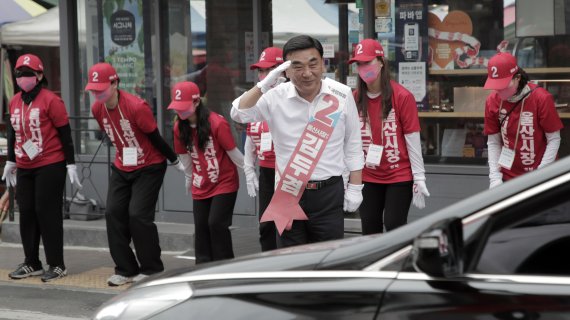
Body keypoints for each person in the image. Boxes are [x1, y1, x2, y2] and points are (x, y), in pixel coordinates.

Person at [231, 35, 364, 248]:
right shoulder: (275, 96)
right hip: (289, 193)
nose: (307, 73)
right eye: (297, 66)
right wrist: (264, 85)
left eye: (313, 64)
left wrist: (355, 187)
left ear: (323, 64)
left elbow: (354, 145)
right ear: (286, 70)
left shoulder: (342, 94)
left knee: (328, 262)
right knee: (292, 261)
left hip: (329, 194)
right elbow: (238, 113)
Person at [85, 62, 183, 286]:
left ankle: (152, 269)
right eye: (94, 90)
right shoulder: (97, 109)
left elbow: (155, 137)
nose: (97, 94)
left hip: (149, 165)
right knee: (113, 212)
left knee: (138, 215)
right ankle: (125, 268)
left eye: (101, 89)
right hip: (122, 165)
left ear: (115, 83)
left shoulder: (137, 107)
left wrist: (175, 160)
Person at [2, 53, 82, 282]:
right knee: (26, 212)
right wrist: (11, 161)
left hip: (50, 163)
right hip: (25, 164)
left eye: (28, 74)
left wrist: (71, 163)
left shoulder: (51, 100)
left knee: (47, 213)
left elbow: (65, 135)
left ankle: (57, 264)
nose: (23, 78)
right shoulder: (15, 100)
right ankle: (31, 262)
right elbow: (12, 132)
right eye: (19, 74)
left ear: (39, 75)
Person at [347, 39, 430, 235]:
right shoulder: (354, 98)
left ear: (381, 62)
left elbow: (412, 139)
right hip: (368, 175)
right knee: (369, 228)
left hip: (398, 175)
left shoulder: (402, 96)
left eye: (368, 62)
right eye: (359, 64)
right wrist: (348, 178)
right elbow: (349, 141)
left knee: (394, 225)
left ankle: (398, 263)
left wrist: (419, 177)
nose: (363, 68)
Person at [169, 81, 244, 264]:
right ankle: (202, 267)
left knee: (216, 224)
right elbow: (184, 156)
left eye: (183, 107)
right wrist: (188, 176)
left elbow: (232, 152)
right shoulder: (179, 126)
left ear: (196, 103)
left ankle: (224, 266)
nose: (180, 112)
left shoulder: (216, 123)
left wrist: (249, 171)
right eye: (177, 108)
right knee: (201, 227)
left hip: (224, 182)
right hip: (200, 183)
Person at [483, 52, 563, 188]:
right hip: (508, 177)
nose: (500, 92)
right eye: (497, 87)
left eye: (504, 86)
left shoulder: (541, 98)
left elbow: (554, 139)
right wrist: (495, 179)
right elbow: (493, 142)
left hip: (542, 174)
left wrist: (541, 175)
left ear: (517, 78)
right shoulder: (492, 101)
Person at [244, 47, 284, 251]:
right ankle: (268, 262)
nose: (263, 75)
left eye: (268, 70)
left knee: (286, 223)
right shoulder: (258, 99)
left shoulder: (289, 97)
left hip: (289, 171)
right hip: (267, 171)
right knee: (266, 223)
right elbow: (251, 136)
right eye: (260, 71)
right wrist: (249, 169)